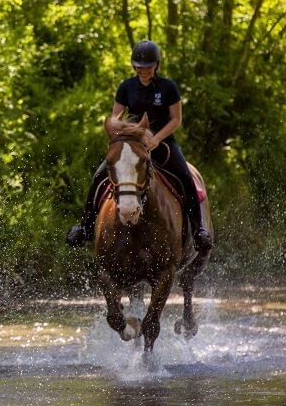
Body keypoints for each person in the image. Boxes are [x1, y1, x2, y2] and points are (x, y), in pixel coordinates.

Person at [66, 40, 213, 252]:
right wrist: (122, 136)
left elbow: (176, 119)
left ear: (156, 66)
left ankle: (199, 230)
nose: (144, 71)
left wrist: (156, 138)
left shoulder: (168, 87)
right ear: (134, 67)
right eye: (140, 67)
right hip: (133, 145)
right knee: (99, 177)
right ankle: (85, 227)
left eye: (148, 67)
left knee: (185, 177)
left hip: (162, 144)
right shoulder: (126, 87)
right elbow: (116, 117)